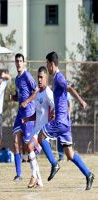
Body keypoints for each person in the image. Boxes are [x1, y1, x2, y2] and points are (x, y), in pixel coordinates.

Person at [38, 51, 94, 190]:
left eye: (47, 64)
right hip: (65, 122)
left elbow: (69, 88)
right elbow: (62, 99)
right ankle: (88, 174)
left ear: (51, 64)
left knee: (41, 136)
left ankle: (54, 163)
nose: (46, 67)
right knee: (70, 154)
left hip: (61, 121)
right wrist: (55, 113)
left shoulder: (58, 77)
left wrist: (81, 101)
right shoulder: (56, 78)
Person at [22, 66, 55, 188]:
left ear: (46, 78)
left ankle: (34, 176)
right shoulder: (37, 94)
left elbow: (56, 107)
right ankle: (39, 181)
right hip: (36, 129)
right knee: (28, 150)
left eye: (42, 77)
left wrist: (54, 116)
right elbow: (37, 113)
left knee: (29, 146)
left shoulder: (48, 92)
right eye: (38, 77)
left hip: (44, 132)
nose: (39, 80)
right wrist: (28, 118)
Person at [10, 53, 38, 182]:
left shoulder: (27, 75)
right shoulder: (17, 79)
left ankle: (38, 146)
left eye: (21, 61)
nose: (18, 63)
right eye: (17, 61)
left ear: (23, 63)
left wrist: (26, 102)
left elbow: (36, 90)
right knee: (16, 142)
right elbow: (19, 96)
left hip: (28, 113)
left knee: (27, 146)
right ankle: (18, 174)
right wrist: (13, 98)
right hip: (20, 113)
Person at [57, 92, 72, 162]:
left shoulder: (67, 93)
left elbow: (70, 104)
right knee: (59, 138)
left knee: (67, 138)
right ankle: (61, 156)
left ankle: (69, 155)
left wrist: (68, 114)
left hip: (66, 119)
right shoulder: (57, 93)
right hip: (59, 119)